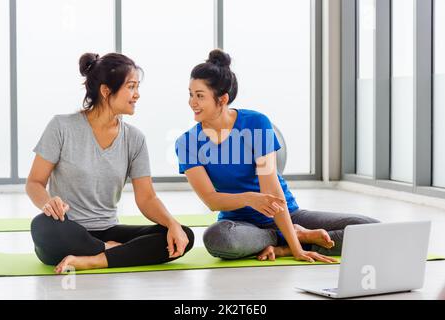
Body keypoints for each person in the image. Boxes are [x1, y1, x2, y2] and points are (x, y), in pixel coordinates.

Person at [176, 49, 379, 263]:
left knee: (371, 229)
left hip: (285, 214)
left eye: (200, 96)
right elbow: (211, 200)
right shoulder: (187, 143)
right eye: (190, 94)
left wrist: (296, 250)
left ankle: (285, 245)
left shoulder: (255, 124)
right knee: (217, 239)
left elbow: (272, 189)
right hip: (240, 225)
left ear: (222, 99)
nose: (192, 102)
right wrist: (248, 198)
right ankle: (290, 236)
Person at [27, 52, 194, 274]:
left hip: (109, 229)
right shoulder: (61, 126)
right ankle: (110, 252)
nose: (137, 95)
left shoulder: (135, 138)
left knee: (183, 236)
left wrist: (172, 224)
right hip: (67, 229)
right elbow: (34, 183)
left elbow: (147, 198)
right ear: (106, 91)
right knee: (41, 226)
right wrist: (47, 202)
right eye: (131, 87)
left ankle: (92, 259)